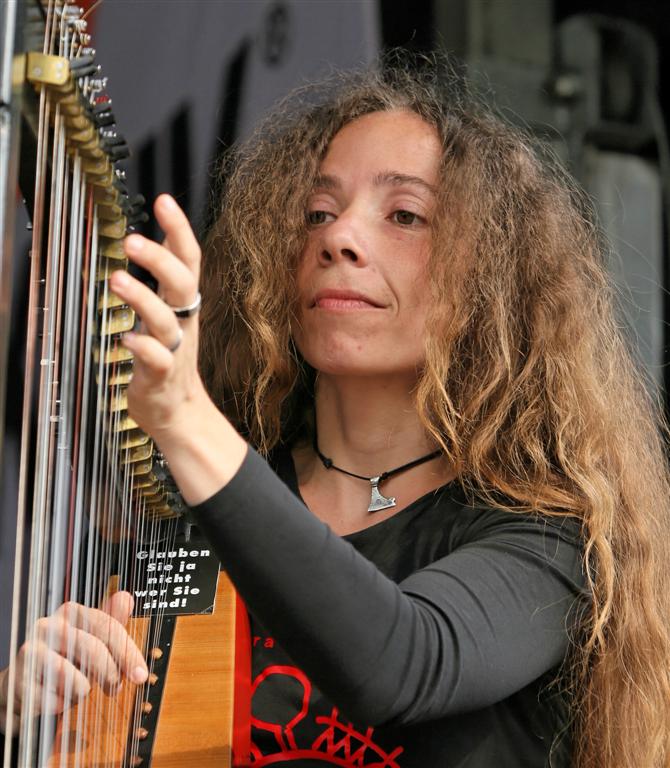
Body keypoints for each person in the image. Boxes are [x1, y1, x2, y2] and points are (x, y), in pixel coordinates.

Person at [4, 56, 670, 767]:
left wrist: (187, 418)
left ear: (490, 280)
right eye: (317, 213)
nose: (338, 237)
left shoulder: (548, 533)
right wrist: (21, 716)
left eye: (405, 216)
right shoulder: (195, 522)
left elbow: (404, 663)